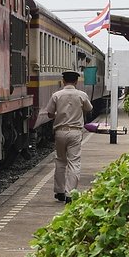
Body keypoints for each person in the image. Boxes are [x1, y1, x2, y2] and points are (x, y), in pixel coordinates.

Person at [45, 70, 92, 203]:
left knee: (60, 161)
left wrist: (59, 114)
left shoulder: (56, 95)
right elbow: (89, 108)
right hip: (75, 132)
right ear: (76, 82)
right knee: (74, 162)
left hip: (60, 131)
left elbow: (49, 114)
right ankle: (70, 194)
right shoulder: (82, 95)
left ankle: (59, 192)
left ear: (63, 81)